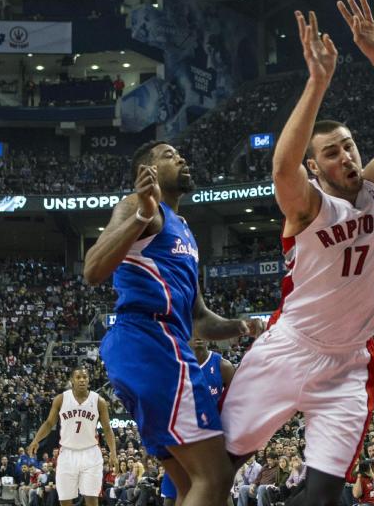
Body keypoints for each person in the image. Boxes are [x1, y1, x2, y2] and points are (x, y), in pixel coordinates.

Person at [220, 0, 374, 506]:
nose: (346, 154)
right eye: (331, 151)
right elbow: (281, 170)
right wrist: (317, 82)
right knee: (217, 469)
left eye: (348, 144)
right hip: (289, 348)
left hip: (349, 362)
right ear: (315, 167)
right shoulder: (306, 206)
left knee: (324, 497)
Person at [85, 140, 263, 506]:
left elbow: (199, 319)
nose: (181, 157)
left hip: (149, 347)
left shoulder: (184, 230)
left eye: (180, 152)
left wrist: (243, 326)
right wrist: (139, 216)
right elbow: (92, 269)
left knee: (189, 485)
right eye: (168, 155)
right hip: (153, 341)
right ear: (146, 172)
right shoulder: (139, 207)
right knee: (215, 478)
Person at [159, 337, 235, 505]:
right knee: (172, 498)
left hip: (212, 443)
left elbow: (239, 405)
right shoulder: (174, 366)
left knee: (222, 495)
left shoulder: (223, 366)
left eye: (203, 331)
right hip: (182, 442)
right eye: (194, 331)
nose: (199, 335)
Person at [26, 368, 118, 506]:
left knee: (92, 499)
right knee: (65, 500)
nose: (82, 380)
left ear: (88, 380)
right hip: (67, 453)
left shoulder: (99, 401)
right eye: (78, 377)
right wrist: (35, 440)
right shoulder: (61, 399)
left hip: (91, 454)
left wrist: (113, 454)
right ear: (72, 381)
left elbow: (107, 429)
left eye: (85, 377)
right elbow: (49, 423)